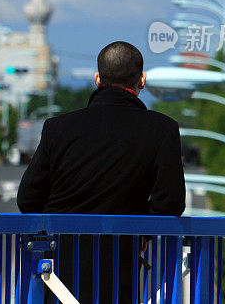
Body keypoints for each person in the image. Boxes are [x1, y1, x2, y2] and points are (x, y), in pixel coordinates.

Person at [17, 41, 186, 303]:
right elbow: (171, 202)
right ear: (142, 80)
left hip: (58, 270)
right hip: (120, 268)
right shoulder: (162, 130)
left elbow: (28, 199)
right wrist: (142, 231)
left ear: (97, 79)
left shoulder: (57, 128)